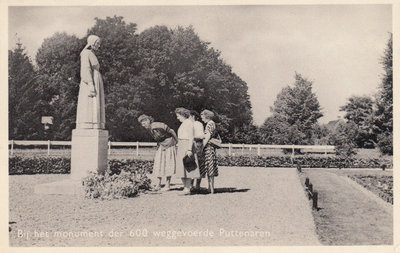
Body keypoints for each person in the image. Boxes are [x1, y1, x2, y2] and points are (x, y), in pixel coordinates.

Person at [138, 114, 178, 191]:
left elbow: (171, 131)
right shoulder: (149, 129)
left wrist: (176, 141)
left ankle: (167, 184)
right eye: (142, 124)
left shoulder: (157, 125)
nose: (143, 125)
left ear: (148, 120)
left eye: (144, 123)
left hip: (169, 144)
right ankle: (158, 184)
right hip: (161, 145)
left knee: (168, 164)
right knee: (159, 163)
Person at [76, 35, 106, 129]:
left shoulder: (92, 53)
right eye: (97, 43)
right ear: (92, 42)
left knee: (96, 105)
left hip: (96, 79)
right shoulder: (86, 53)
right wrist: (90, 84)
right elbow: (86, 69)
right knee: (89, 104)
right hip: (90, 81)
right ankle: (88, 124)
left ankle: (96, 124)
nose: (99, 45)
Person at [175, 107, 201, 195]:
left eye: (178, 116)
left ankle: (187, 188)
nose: (177, 117)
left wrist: (189, 149)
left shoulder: (189, 123)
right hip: (182, 144)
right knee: (181, 166)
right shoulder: (184, 123)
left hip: (186, 145)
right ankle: (185, 187)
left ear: (183, 115)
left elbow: (191, 137)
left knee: (187, 165)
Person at [200, 109, 219, 194]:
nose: (202, 119)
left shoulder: (209, 124)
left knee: (209, 167)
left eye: (203, 117)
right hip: (211, 148)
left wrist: (201, 147)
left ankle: (211, 188)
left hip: (208, 148)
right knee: (210, 167)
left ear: (206, 116)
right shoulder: (213, 123)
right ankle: (211, 187)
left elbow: (207, 137)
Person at [190, 110, 204, 192]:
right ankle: (191, 185)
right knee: (192, 163)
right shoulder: (190, 124)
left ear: (193, 116)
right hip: (192, 143)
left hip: (197, 143)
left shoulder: (198, 124)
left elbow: (201, 135)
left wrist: (194, 139)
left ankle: (197, 185)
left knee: (198, 163)